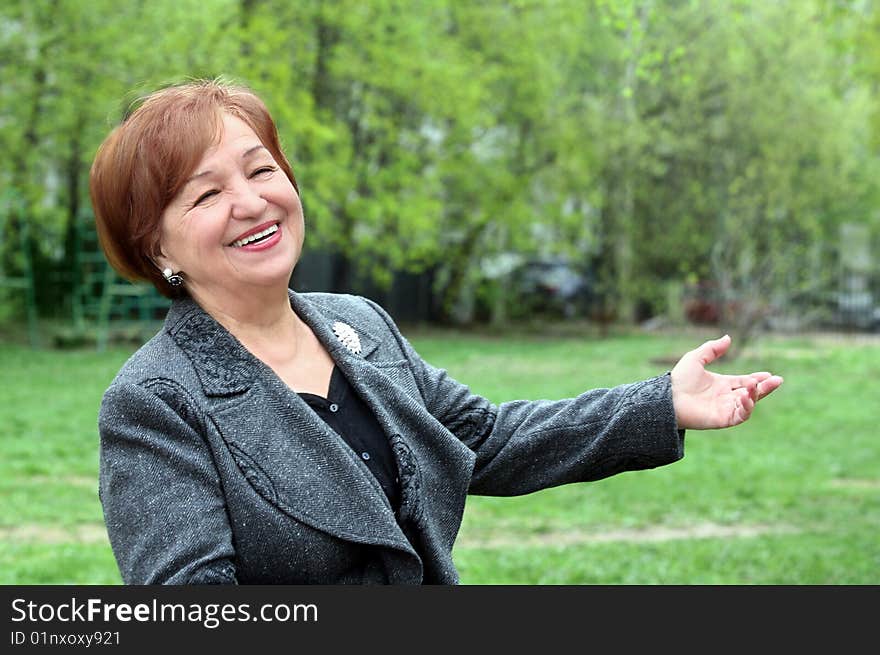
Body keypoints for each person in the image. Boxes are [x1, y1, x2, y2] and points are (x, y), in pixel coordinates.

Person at [89, 78, 783, 585]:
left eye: (261, 169)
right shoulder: (155, 399)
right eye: (207, 194)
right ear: (159, 250)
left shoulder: (358, 324)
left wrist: (660, 403)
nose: (251, 201)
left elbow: (484, 440)